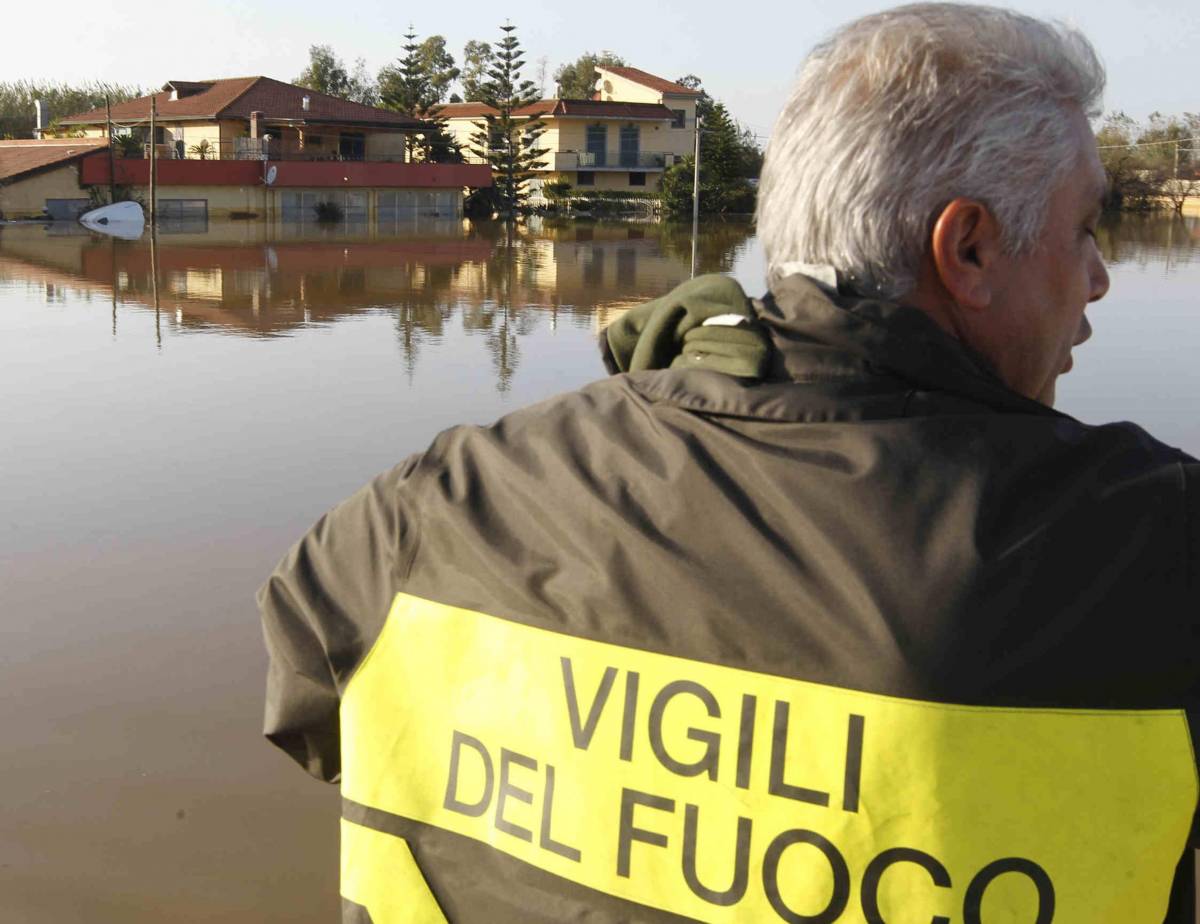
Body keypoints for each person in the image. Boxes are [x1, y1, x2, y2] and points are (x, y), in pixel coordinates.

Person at [259, 4, 1199, 922]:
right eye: (1086, 228)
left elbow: (308, 675)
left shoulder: (438, 507)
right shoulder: (1154, 548)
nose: (1101, 275)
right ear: (971, 248)